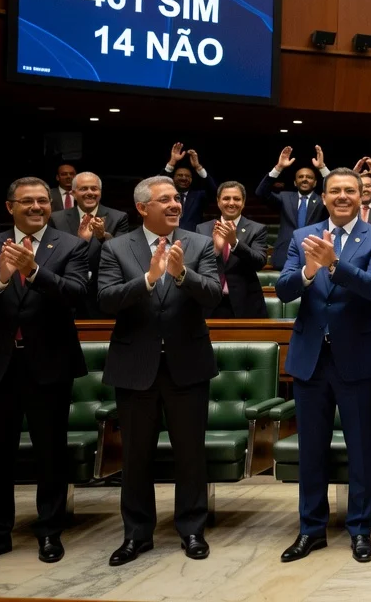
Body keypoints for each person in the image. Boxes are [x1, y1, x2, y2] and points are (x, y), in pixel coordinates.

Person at [0, 177, 89, 569]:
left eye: (43, 201)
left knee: (51, 453)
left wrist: (35, 272)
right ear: (10, 206)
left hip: (49, 363)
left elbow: (78, 294)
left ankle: (49, 531)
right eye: (27, 201)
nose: (36, 207)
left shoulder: (71, 245)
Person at [97, 176, 222, 565]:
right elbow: (104, 300)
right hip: (136, 366)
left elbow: (214, 296)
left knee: (190, 455)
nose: (173, 205)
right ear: (141, 207)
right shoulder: (116, 247)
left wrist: (182, 274)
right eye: (164, 199)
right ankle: (136, 535)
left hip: (187, 365)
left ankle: (191, 530)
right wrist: (149, 279)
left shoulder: (198, 243)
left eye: (175, 199)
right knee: (136, 457)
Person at [275, 168, 371, 564]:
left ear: (363, 197)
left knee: (361, 448)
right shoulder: (300, 237)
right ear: (323, 197)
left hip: (357, 357)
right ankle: (311, 529)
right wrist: (310, 270)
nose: (343, 196)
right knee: (311, 449)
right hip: (311, 357)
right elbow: (283, 290)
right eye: (335, 191)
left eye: (351, 191)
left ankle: (360, 530)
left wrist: (333, 265)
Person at [49, 172, 132, 318]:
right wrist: (80, 242)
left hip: (102, 291)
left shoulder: (118, 217)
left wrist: (102, 237)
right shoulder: (57, 218)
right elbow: (54, 256)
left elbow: (123, 254)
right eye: (83, 189)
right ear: (74, 193)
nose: (90, 193)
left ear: (100, 192)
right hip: (68, 292)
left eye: (94, 189)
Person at [196, 181, 269, 319]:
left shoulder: (257, 229)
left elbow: (259, 262)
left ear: (243, 202)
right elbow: (197, 266)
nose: (231, 203)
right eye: (226, 198)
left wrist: (234, 242)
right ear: (218, 202)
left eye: (236, 199)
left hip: (246, 303)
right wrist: (216, 250)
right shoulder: (202, 228)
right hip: (210, 302)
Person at [257, 145, 328, 270]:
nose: (304, 179)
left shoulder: (323, 200)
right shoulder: (285, 197)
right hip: (285, 255)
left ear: (315, 182)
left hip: (315, 255)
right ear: (295, 182)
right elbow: (261, 193)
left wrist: (322, 168)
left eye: (309, 177)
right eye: (301, 177)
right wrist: (278, 168)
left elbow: (336, 191)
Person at [162, 144, 219, 229]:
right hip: (166, 235)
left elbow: (214, 191)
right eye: (180, 175)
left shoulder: (198, 196)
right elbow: (155, 185)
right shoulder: (164, 195)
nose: (183, 178)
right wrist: (172, 162)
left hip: (192, 238)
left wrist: (198, 167)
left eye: (187, 176)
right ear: (173, 178)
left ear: (191, 180)